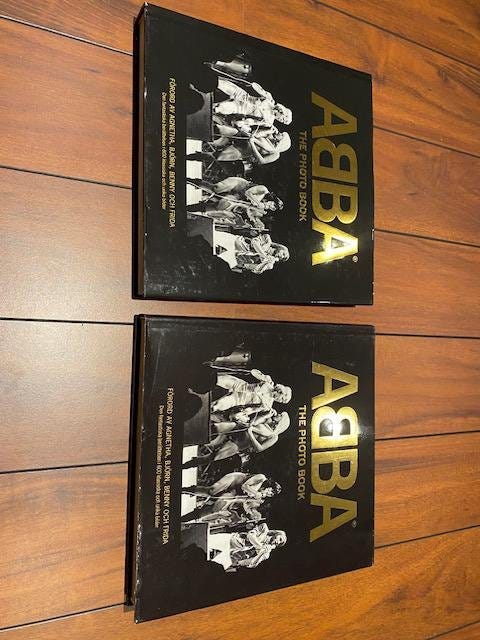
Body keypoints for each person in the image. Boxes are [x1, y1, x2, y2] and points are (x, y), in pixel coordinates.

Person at [214, 78, 292, 127]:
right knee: (221, 84)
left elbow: (254, 122)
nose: (280, 120)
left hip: (240, 108)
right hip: (242, 95)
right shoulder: (270, 100)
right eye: (283, 119)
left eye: (282, 122)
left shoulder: (269, 122)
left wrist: (244, 122)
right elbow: (256, 87)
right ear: (282, 112)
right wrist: (264, 93)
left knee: (220, 108)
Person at [208, 522, 287, 570]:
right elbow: (250, 535)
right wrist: (260, 546)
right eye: (280, 539)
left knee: (213, 568)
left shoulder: (266, 553)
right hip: (232, 540)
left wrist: (261, 554)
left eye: (280, 543)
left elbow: (251, 564)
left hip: (234, 556)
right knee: (207, 541)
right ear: (277, 533)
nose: (278, 542)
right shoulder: (264, 528)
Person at [213, 369, 292, 412]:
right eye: (282, 399)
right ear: (281, 392)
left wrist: (245, 411)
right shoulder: (268, 382)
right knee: (217, 380)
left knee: (217, 406)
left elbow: (252, 410)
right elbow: (253, 372)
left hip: (237, 399)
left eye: (282, 402)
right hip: (238, 385)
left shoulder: (268, 405)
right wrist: (263, 378)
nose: (280, 401)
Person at [214, 231, 289, 273]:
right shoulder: (267, 239)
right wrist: (264, 256)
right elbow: (254, 242)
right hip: (236, 242)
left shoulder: (269, 262)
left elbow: (256, 270)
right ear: (281, 248)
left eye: (282, 258)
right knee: (213, 236)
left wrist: (266, 264)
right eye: (283, 254)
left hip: (235, 256)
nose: (281, 256)